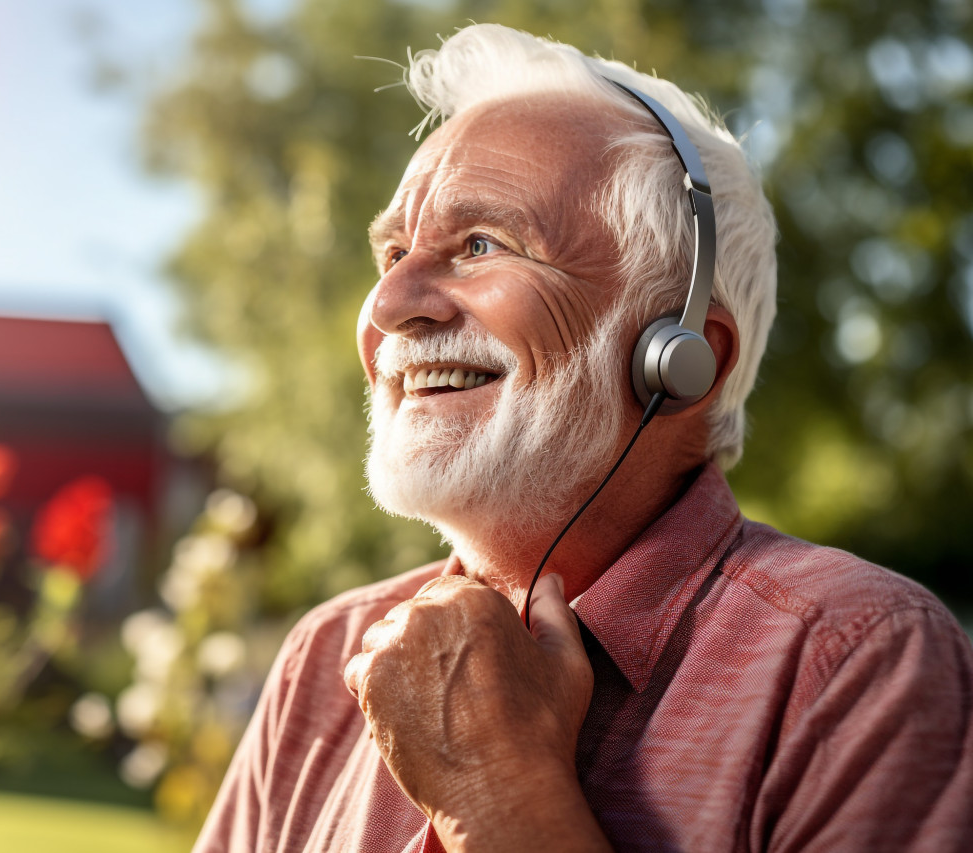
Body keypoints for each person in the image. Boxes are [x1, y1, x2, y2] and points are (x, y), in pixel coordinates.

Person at [192, 23, 973, 853]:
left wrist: (495, 792)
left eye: (482, 244)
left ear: (681, 356)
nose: (388, 308)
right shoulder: (325, 657)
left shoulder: (857, 662)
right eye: (392, 253)